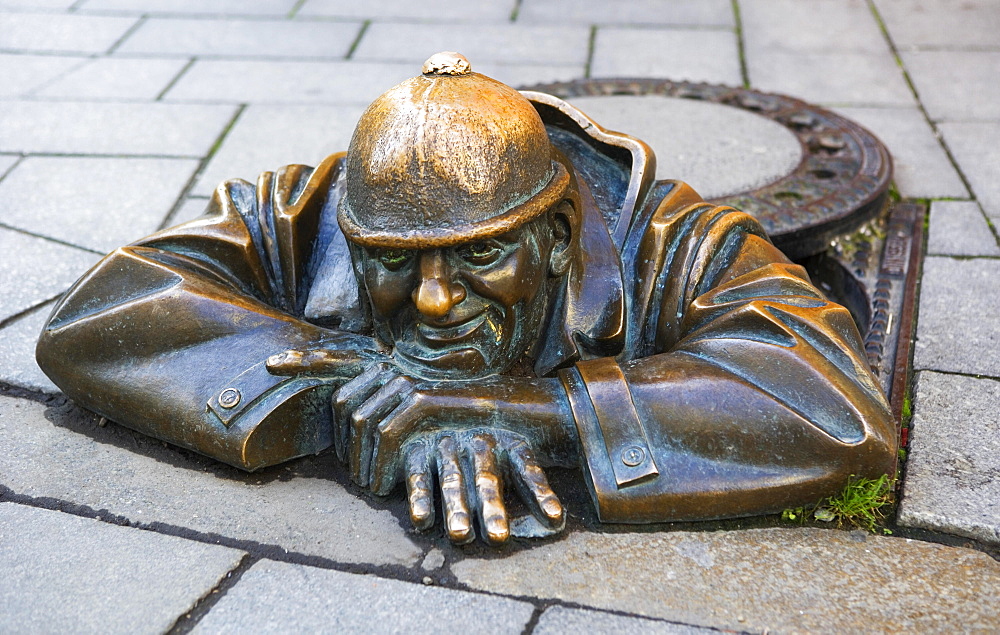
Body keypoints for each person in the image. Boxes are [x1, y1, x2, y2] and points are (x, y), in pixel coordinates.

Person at [37, 53, 896, 545]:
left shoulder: (673, 241)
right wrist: (351, 388)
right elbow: (104, 307)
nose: (438, 300)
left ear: (558, 235)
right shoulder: (322, 208)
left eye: (482, 253)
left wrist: (526, 411)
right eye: (394, 263)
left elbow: (834, 399)